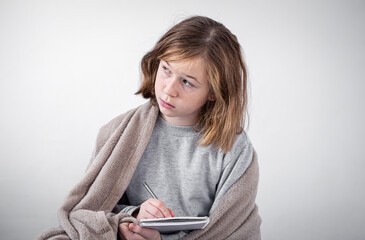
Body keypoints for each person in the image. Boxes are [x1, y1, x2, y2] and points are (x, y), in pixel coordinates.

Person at [38, 15, 261, 240]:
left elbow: (232, 226)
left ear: (214, 91)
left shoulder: (234, 149)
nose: (169, 89)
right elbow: (91, 210)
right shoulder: (117, 132)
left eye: (187, 82)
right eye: (166, 69)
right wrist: (129, 219)